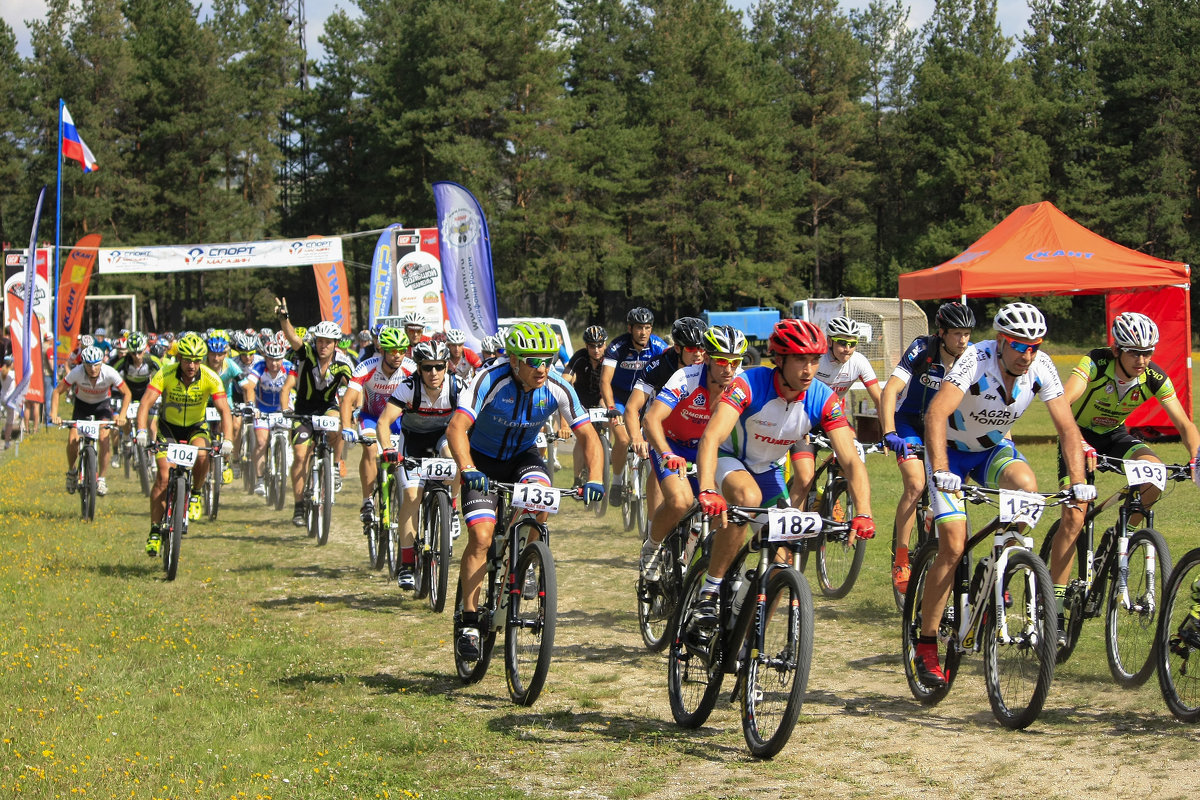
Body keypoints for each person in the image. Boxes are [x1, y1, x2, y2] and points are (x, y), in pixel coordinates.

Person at [915, 302, 1094, 686]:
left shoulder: (1042, 367)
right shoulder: (974, 360)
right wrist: (942, 470)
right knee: (953, 542)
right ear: (1001, 341)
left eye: (1034, 346)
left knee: (1027, 485)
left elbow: (1066, 428)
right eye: (1019, 345)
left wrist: (1078, 482)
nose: (1027, 354)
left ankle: (999, 570)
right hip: (951, 454)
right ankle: (926, 644)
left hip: (993, 450)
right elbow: (935, 414)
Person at [693, 319, 875, 629]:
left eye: (815, 360)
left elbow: (851, 460)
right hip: (729, 458)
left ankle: (744, 625)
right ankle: (709, 591)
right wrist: (708, 488)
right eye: (800, 360)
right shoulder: (748, 384)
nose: (808, 369)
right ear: (779, 360)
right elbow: (711, 437)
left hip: (768, 470)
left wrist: (865, 513)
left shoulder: (822, 398)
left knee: (783, 557)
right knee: (746, 497)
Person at [447, 322, 605, 660]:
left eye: (547, 360)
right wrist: (468, 469)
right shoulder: (489, 378)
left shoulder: (557, 385)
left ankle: (528, 562)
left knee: (541, 495)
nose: (542, 368)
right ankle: (471, 620)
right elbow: (457, 428)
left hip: (523, 457)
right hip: (482, 463)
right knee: (482, 537)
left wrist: (595, 478)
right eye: (533, 361)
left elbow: (589, 436)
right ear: (514, 360)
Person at [1061, 312, 1200, 641]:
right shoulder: (1095, 363)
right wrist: (1076, 441)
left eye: (1148, 352)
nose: (1143, 359)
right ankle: (1054, 603)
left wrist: (1196, 455)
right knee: (1075, 515)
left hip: (1115, 435)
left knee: (1156, 476)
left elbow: (1184, 423)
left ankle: (1123, 534)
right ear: (1117, 349)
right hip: (1076, 433)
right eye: (1135, 352)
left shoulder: (1153, 376)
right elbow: (1063, 402)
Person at [878, 301, 975, 594]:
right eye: (957, 333)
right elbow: (890, 390)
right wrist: (889, 432)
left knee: (955, 487)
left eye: (967, 333)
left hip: (942, 427)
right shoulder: (922, 349)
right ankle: (902, 557)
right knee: (916, 484)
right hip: (908, 423)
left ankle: (936, 528)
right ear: (941, 332)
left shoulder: (971, 358)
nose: (962, 340)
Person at [640, 325, 746, 579]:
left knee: (730, 511)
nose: (729, 369)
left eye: (735, 362)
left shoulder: (740, 382)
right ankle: (652, 547)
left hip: (708, 451)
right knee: (680, 501)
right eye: (722, 361)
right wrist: (666, 453)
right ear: (707, 357)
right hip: (671, 444)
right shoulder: (686, 377)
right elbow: (652, 420)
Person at [376, 340, 465, 589]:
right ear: (418, 368)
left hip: (442, 438)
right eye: (427, 368)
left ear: (446, 366)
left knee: (457, 457)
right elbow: (384, 423)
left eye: (439, 366)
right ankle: (406, 565)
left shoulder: (458, 387)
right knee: (413, 497)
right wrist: (389, 449)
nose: (433, 373)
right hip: (412, 442)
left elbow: (472, 419)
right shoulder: (408, 387)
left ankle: (453, 506)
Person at [135, 334, 233, 552]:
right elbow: (145, 404)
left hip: (195, 427)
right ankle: (154, 531)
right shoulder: (166, 373)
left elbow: (224, 410)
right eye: (188, 360)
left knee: (201, 454)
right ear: (179, 358)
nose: (192, 365)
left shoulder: (210, 377)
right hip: (168, 428)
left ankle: (196, 493)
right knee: (162, 476)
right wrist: (142, 430)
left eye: (197, 360)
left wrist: (228, 440)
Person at [624, 316, 708, 532]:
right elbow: (633, 408)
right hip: (660, 429)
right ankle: (653, 528)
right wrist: (636, 437)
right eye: (691, 348)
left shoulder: (709, 366)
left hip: (695, 432)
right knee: (657, 466)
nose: (698, 353)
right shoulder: (658, 365)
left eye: (702, 348)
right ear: (678, 348)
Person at [276, 300, 355, 525]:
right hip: (303, 409)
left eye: (328, 342)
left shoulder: (343, 361)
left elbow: (354, 388)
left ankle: (336, 463)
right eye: (320, 341)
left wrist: (356, 405)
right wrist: (284, 319)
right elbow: (293, 338)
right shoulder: (307, 354)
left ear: (335, 344)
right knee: (301, 455)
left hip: (327, 406)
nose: (323, 346)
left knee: (340, 423)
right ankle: (299, 506)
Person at [791, 316, 882, 509]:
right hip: (806, 418)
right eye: (842, 342)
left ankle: (832, 497)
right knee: (805, 478)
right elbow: (798, 393)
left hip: (833, 418)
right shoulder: (818, 360)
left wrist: (890, 431)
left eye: (852, 343)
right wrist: (800, 427)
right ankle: (794, 532)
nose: (847, 348)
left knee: (853, 462)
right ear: (830, 341)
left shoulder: (858, 362)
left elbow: (879, 399)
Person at [339, 327, 413, 529]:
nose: (397, 355)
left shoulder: (410, 368)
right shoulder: (367, 366)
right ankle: (367, 501)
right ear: (382, 351)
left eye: (401, 350)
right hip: (371, 417)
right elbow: (347, 400)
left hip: (398, 420)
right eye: (392, 351)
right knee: (371, 448)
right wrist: (346, 427)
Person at [600, 307, 668, 502]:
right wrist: (611, 407)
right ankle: (618, 481)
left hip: (647, 399)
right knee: (622, 440)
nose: (644, 332)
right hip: (620, 399)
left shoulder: (658, 346)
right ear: (630, 328)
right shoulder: (617, 347)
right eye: (639, 327)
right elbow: (605, 381)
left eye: (648, 327)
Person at [49, 346, 132, 498]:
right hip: (82, 406)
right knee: (73, 439)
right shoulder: (77, 372)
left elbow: (127, 393)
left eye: (96, 364)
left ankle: (101, 479)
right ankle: (72, 471)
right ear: (83, 364)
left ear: (101, 363)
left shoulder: (109, 372)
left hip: (102, 406)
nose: (93, 369)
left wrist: (122, 415)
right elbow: (57, 391)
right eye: (88, 365)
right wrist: (54, 414)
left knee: (104, 439)